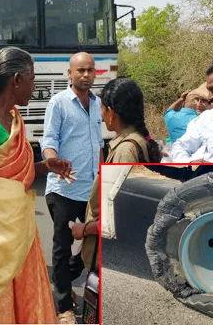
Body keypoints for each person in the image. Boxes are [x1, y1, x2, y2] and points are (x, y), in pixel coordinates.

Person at [0, 47, 74, 324]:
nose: (35, 86)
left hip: (19, 236)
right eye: (32, 78)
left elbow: (9, 176)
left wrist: (45, 167)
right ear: (16, 80)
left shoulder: (13, 117)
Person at [71, 77, 161, 279]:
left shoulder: (125, 150)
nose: (102, 116)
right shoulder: (136, 140)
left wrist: (84, 229)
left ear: (111, 112)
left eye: (102, 109)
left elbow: (119, 215)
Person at [40, 51, 103, 323]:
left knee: (90, 245)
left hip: (91, 190)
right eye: (80, 70)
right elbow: (49, 139)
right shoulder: (59, 103)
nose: (86, 75)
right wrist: (53, 161)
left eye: (90, 70)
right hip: (63, 188)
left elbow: (99, 144)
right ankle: (63, 305)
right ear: (70, 73)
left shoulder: (98, 103)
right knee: (63, 249)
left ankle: (62, 284)